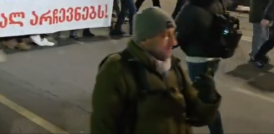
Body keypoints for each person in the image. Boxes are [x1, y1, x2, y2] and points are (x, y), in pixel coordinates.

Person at [91, 7, 221, 134]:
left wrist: (208, 99)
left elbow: (198, 118)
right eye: (165, 36)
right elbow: (103, 126)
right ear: (144, 39)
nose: (173, 42)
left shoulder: (174, 68)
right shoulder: (117, 69)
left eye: (173, 34)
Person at [174, 0, 226, 134]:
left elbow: (177, 36)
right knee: (206, 92)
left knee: (202, 99)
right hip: (215, 56)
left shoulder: (190, 9)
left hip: (198, 58)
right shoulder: (214, 2)